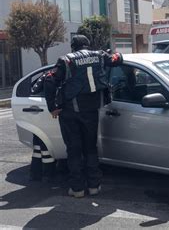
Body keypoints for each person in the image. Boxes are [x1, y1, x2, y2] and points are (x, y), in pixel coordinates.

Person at [44, 35, 123, 198]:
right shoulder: (100, 55)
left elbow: (50, 80)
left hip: (69, 113)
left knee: (74, 150)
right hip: (91, 111)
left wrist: (52, 107)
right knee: (90, 149)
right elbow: (117, 59)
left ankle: (77, 189)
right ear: (88, 45)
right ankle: (94, 186)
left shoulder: (66, 60)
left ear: (73, 47)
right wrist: (113, 53)